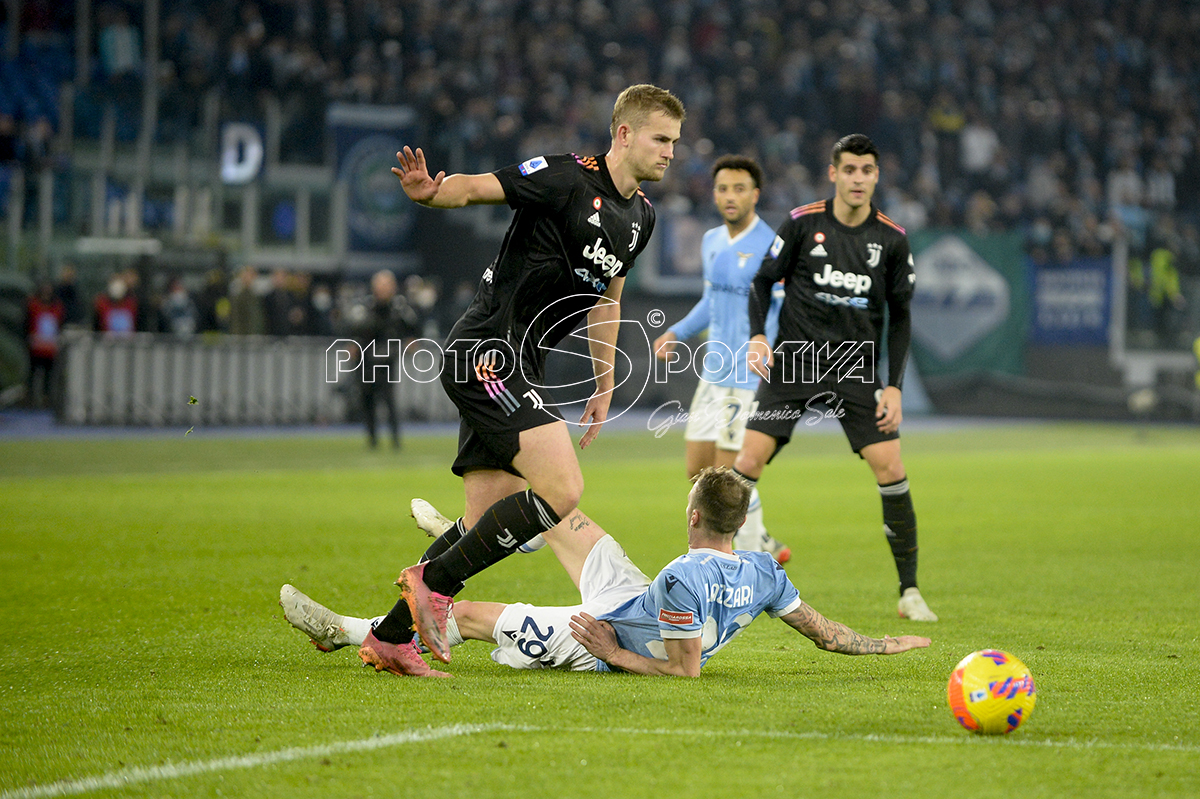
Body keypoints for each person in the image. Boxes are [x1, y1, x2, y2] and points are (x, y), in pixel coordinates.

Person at [363, 84, 685, 671]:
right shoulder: (565, 177)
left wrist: (604, 382)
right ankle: (430, 582)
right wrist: (432, 195)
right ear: (624, 134)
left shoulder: (641, 216)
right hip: (488, 350)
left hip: (520, 364)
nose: (669, 152)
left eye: (674, 143)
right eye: (661, 139)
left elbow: (607, 301)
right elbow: (482, 187)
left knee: (487, 518)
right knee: (562, 491)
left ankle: (388, 637)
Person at [280, 467, 930, 678]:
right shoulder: (763, 570)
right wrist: (888, 641)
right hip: (631, 594)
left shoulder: (682, 577)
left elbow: (684, 670)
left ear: (693, 511)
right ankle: (494, 536)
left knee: (464, 615)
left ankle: (344, 629)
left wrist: (612, 651)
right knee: (555, 503)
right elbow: (826, 634)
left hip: (605, 629)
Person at [735, 134, 938, 622]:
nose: (858, 179)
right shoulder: (804, 224)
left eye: (867, 170)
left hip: (855, 371)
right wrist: (758, 337)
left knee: (891, 467)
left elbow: (902, 317)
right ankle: (716, 572)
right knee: (746, 462)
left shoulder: (892, 239)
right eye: (849, 169)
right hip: (794, 364)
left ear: (876, 176)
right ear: (833, 173)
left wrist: (894, 387)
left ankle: (909, 592)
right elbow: (762, 281)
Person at [652, 154, 790, 562]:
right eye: (724, 188)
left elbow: (780, 309)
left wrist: (766, 345)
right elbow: (710, 302)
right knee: (697, 471)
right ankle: (761, 537)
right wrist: (678, 331)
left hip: (748, 377)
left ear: (755, 194)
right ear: (714, 194)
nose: (731, 196)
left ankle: (738, 562)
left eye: (740, 188)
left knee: (727, 479)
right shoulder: (712, 241)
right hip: (713, 373)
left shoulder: (772, 246)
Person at [352, 269, 420, 450]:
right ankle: (372, 439)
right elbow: (354, 328)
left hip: (387, 360)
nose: (383, 289)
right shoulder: (365, 307)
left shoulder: (400, 308)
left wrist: (411, 340)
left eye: (386, 285)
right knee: (367, 399)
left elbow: (413, 327)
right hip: (366, 360)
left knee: (389, 400)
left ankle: (395, 440)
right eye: (380, 285)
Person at [25, 281, 65, 408]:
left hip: (50, 348)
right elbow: (26, 323)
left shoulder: (57, 306)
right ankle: (31, 398)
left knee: (49, 376)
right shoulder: (33, 305)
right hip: (35, 347)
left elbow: (60, 325)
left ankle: (47, 399)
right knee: (33, 374)